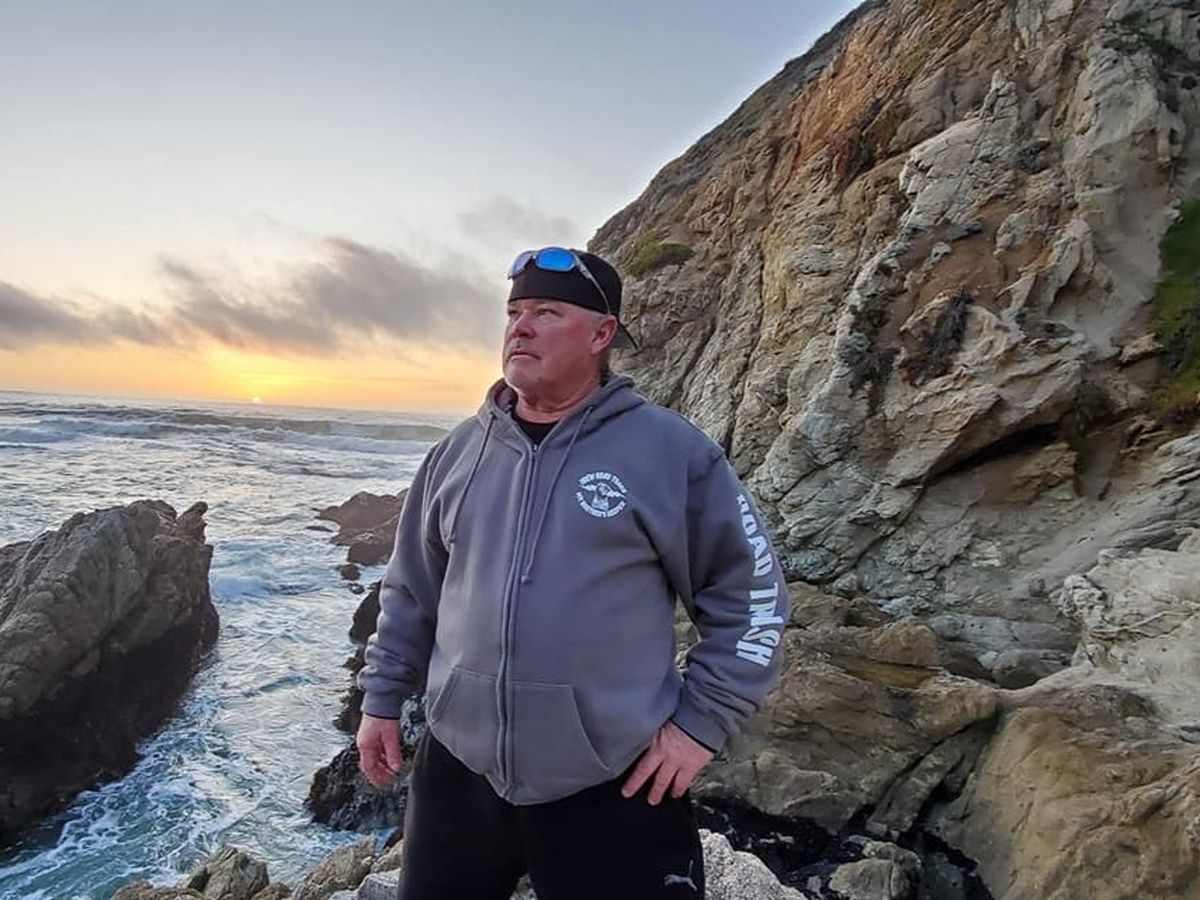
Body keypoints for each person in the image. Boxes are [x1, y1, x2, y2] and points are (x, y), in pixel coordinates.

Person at [356, 246, 788, 899]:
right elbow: (411, 592)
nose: (520, 328)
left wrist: (700, 724)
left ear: (601, 334)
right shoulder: (457, 453)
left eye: (546, 313)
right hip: (460, 774)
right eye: (514, 313)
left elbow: (751, 595)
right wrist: (382, 699)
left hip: (614, 778)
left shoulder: (670, 453)